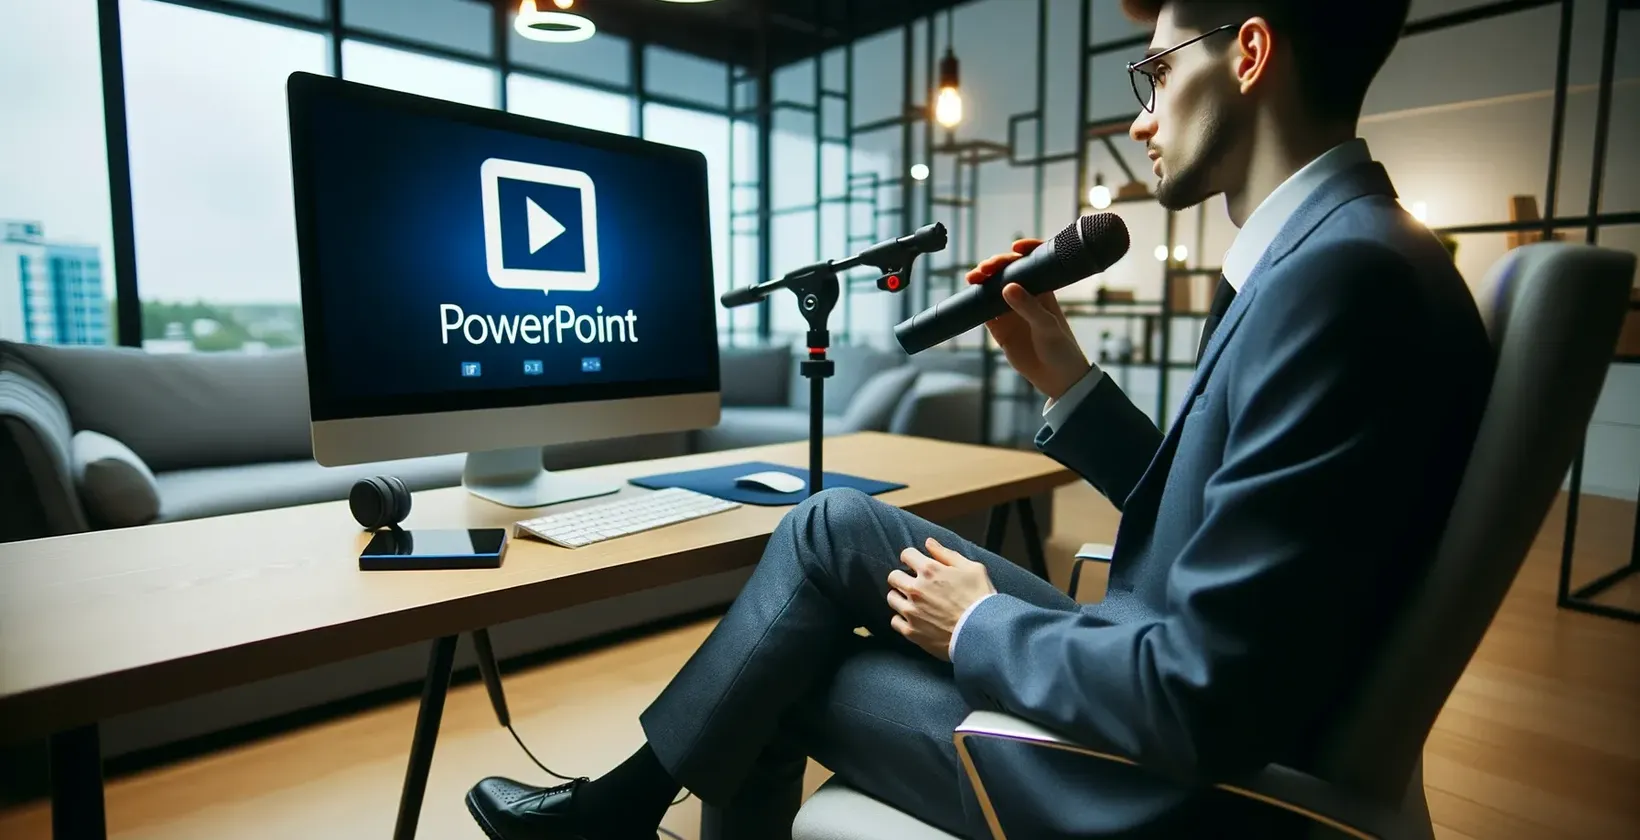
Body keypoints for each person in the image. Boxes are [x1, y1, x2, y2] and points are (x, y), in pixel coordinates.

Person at [463, 1, 1495, 837]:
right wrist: (1065, 377)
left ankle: (615, 813)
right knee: (826, 528)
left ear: (1249, 52)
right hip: (1157, 672)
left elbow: (1202, 699)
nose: (1140, 117)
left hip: (1157, 780)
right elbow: (1219, 525)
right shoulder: (1345, 254)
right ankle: (621, 811)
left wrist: (980, 622)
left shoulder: (1340, 283)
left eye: (1155, 72)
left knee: (784, 664)